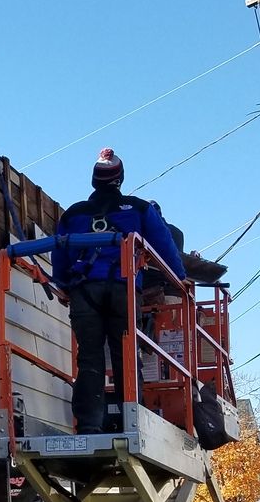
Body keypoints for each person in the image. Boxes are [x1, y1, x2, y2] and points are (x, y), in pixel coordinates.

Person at [50, 148, 186, 434]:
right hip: (123, 290)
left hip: (84, 291)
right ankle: (132, 422)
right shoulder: (138, 209)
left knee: (89, 357)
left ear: (93, 181)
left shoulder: (74, 214)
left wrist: (62, 284)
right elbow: (165, 246)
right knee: (126, 354)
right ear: (120, 180)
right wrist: (179, 279)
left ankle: (89, 424)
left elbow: (60, 253)